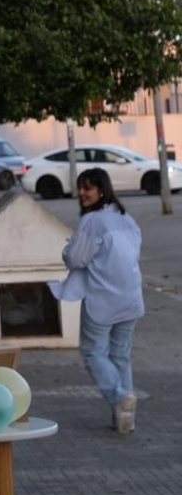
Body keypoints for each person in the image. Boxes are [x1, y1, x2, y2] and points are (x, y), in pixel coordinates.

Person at [55, 166, 143, 434]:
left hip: (102, 299)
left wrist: (67, 249)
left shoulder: (93, 221)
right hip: (131, 298)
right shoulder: (126, 217)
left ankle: (119, 397)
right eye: (80, 187)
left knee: (93, 353)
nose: (81, 193)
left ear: (101, 190)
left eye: (87, 188)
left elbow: (75, 258)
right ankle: (124, 416)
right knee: (120, 355)